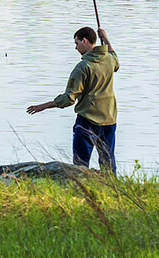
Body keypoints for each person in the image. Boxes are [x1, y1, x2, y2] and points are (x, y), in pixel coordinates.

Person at [26, 26, 119, 172]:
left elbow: (68, 99)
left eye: (77, 43)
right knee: (108, 162)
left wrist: (42, 106)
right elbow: (115, 59)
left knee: (80, 166)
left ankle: (79, 190)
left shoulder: (82, 67)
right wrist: (106, 39)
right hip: (109, 119)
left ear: (85, 41)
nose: (76, 47)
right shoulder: (109, 60)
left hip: (88, 121)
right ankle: (112, 189)